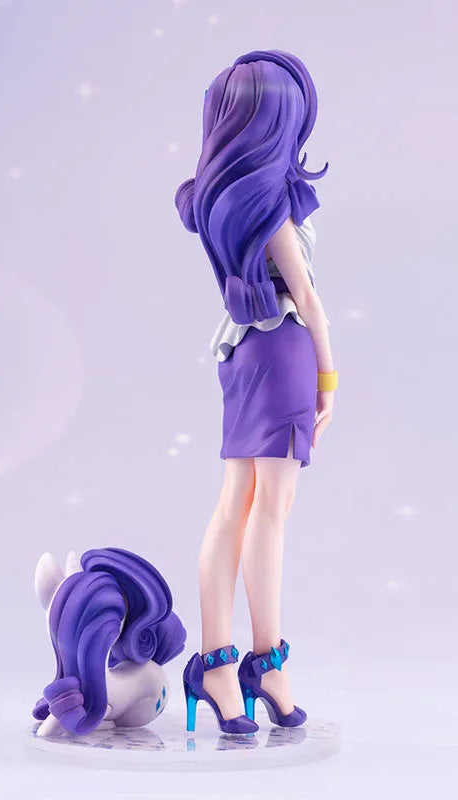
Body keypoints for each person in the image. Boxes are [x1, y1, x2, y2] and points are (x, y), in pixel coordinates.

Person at [175, 49, 338, 733]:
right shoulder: (269, 206)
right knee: (271, 508)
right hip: (284, 350)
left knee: (234, 504)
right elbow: (308, 297)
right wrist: (329, 379)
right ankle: (266, 663)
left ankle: (216, 663)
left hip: (240, 353)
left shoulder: (218, 200)